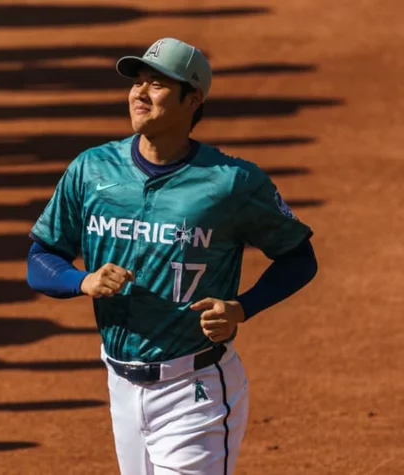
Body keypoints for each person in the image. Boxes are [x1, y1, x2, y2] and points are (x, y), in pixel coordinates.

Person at [26, 37, 318, 475]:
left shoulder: (232, 183)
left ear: (193, 99)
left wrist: (243, 307)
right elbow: (41, 257)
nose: (140, 93)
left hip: (194, 389)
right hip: (121, 384)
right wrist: (81, 281)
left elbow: (300, 258)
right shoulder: (92, 170)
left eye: (157, 84)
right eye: (138, 82)